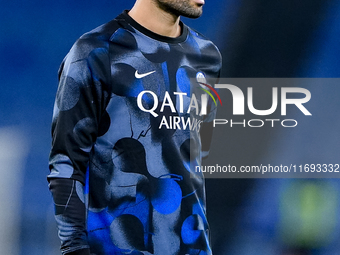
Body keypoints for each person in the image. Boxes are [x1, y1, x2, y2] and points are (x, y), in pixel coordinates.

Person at [48, 0, 222, 254]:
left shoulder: (207, 56)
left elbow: (194, 162)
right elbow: (66, 164)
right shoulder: (96, 52)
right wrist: (74, 248)